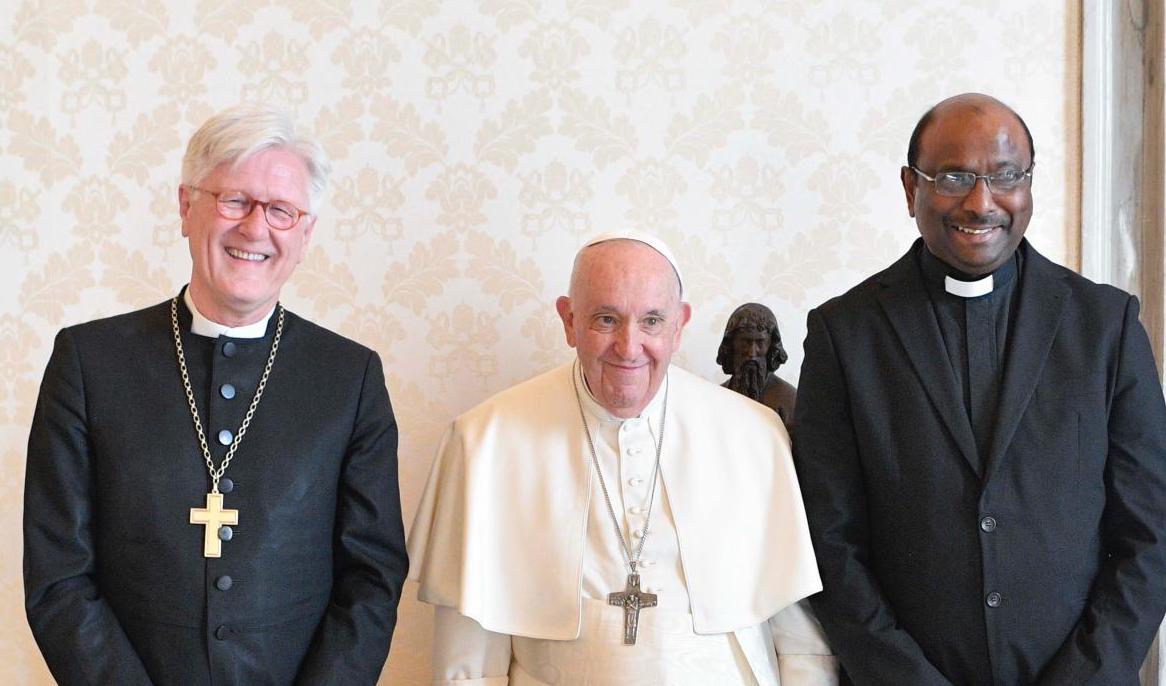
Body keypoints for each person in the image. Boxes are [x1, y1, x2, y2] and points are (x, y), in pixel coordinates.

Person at [23, 105, 408, 685]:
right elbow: (58, 573)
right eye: (234, 200)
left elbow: (372, 576)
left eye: (281, 210)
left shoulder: (349, 378)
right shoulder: (89, 362)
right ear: (186, 207)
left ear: (305, 235)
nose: (256, 228)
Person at [794, 92, 1166, 685]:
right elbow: (827, 542)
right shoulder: (846, 334)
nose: (981, 201)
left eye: (1005, 176)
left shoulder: (1106, 327)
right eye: (953, 177)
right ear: (909, 187)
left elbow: (1151, 535)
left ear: (1029, 185)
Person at [408, 232, 836, 685]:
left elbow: (802, 642)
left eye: (652, 320)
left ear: (679, 325)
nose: (629, 348)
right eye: (606, 319)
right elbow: (468, 665)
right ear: (569, 320)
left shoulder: (754, 435)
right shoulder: (483, 443)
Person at [718, 302, 798, 429]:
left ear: (771, 346)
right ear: (732, 344)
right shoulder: (716, 397)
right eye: (745, 342)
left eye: (760, 343)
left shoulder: (789, 401)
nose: (752, 353)